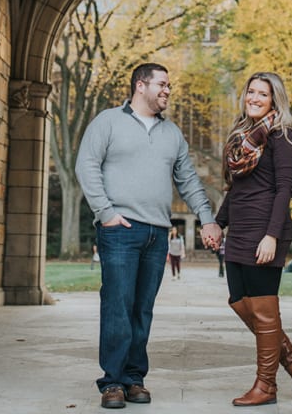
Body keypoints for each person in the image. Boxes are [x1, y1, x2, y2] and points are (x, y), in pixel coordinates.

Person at [76, 62, 223, 410]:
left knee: (142, 309)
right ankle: (111, 382)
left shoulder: (172, 133)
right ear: (140, 86)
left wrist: (207, 219)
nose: (167, 91)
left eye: (169, 86)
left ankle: (133, 378)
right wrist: (106, 213)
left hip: (157, 233)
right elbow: (87, 165)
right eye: (162, 84)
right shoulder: (108, 121)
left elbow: (188, 180)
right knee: (117, 306)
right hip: (120, 231)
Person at [215, 71, 292, 406]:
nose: (254, 98)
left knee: (265, 311)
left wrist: (271, 236)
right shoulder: (240, 136)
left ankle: (266, 386)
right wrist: (218, 223)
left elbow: (284, 189)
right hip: (239, 230)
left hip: (265, 230)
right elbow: (235, 189)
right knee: (240, 303)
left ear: (275, 100)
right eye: (251, 92)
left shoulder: (282, 136)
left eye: (263, 94)